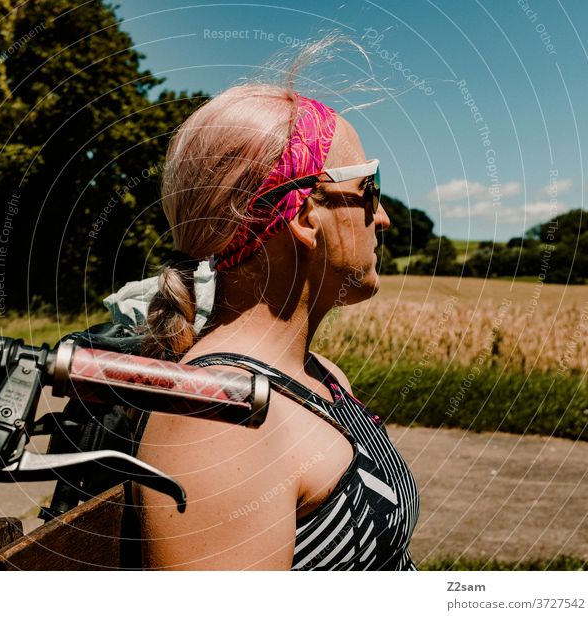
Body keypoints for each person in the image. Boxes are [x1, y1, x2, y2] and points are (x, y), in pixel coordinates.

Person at [133, 81, 419, 570]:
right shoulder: (218, 424)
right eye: (368, 189)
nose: (384, 218)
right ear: (307, 216)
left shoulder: (318, 375)